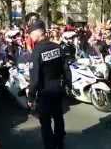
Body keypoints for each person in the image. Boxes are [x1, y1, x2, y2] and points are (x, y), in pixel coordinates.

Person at [28, 20, 66, 149]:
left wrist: (31, 97)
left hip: (45, 93)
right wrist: (67, 86)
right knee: (58, 118)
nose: (30, 37)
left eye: (31, 34)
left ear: (38, 33)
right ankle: (59, 144)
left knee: (45, 122)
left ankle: (50, 146)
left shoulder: (36, 52)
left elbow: (34, 79)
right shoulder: (57, 47)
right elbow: (66, 69)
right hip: (58, 89)